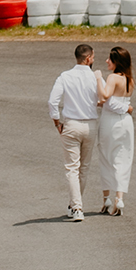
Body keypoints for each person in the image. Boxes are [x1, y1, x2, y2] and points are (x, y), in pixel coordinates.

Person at [48, 44, 101, 222]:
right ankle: (75, 205)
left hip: (71, 124)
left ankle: (76, 206)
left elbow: (52, 101)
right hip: (90, 125)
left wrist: (57, 122)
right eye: (93, 57)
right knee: (83, 168)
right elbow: (102, 99)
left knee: (72, 168)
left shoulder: (65, 76)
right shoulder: (95, 78)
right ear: (88, 58)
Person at [96, 46, 135, 216]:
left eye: (109, 59)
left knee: (106, 157)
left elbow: (104, 96)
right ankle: (119, 198)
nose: (106, 61)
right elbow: (114, 101)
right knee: (123, 158)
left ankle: (106, 198)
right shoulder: (129, 79)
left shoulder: (112, 78)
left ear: (116, 62)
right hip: (126, 123)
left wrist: (98, 78)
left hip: (110, 122)